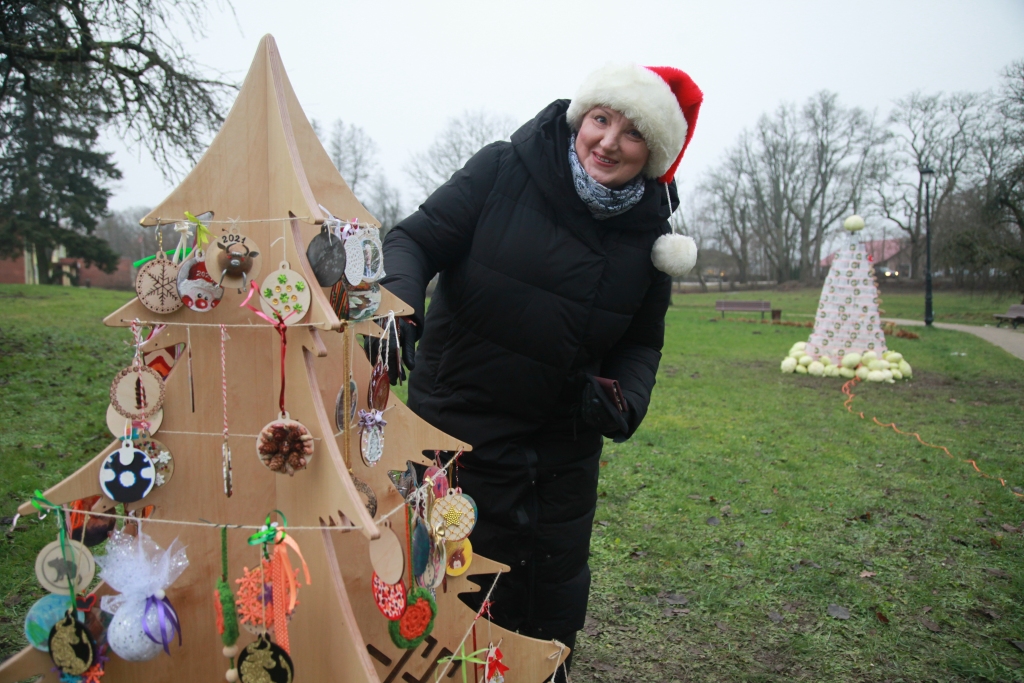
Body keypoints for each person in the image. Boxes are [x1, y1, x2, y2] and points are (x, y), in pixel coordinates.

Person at [379, 63, 702, 678]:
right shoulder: (503, 170)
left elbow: (642, 343)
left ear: (654, 153)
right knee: (445, 598)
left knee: (547, 601)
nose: (608, 141)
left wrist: (627, 399)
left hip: (562, 453)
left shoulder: (650, 238)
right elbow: (414, 241)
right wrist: (401, 309)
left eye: (632, 133)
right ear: (581, 118)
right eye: (601, 119)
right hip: (457, 436)